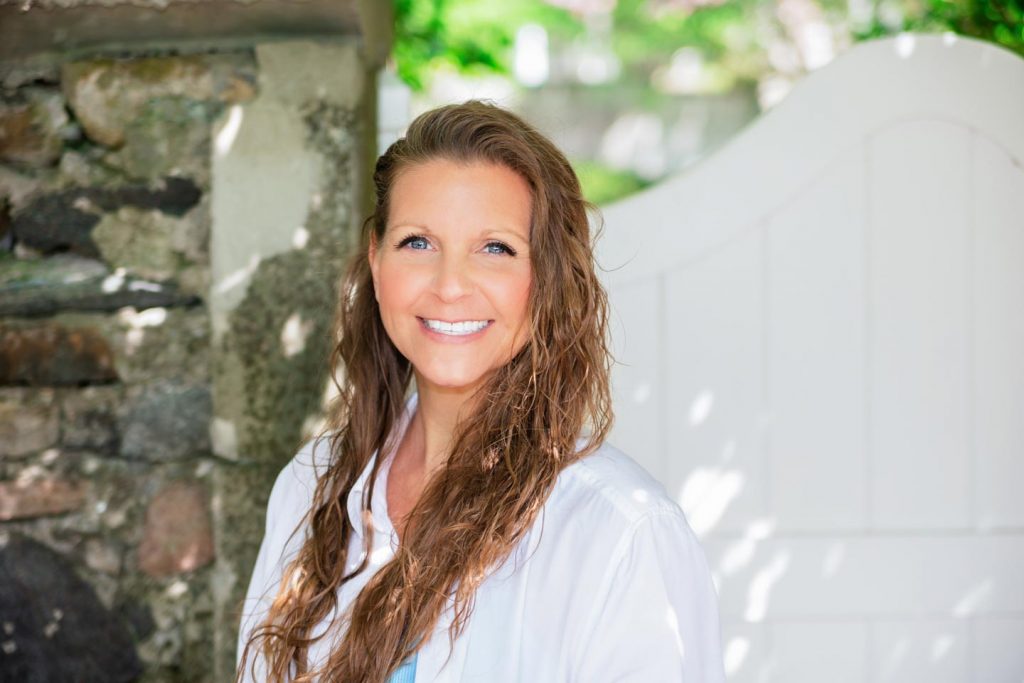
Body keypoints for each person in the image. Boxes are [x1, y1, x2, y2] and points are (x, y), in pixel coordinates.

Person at [236, 100, 725, 683]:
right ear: (376, 258)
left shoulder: (619, 533)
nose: (449, 286)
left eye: (495, 248)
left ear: (546, 278)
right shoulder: (307, 489)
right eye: (418, 242)